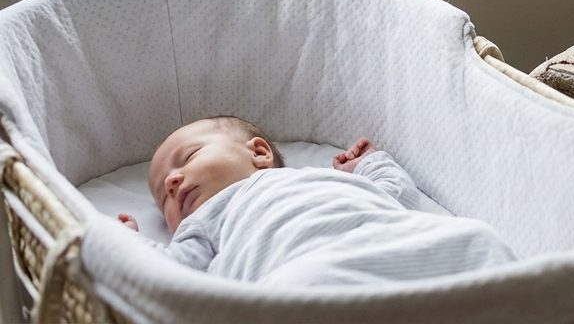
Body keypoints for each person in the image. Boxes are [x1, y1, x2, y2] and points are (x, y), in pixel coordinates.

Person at [120, 116, 515, 285]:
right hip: (301, 276)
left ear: (259, 153)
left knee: (477, 239)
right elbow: (171, 275)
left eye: (187, 159)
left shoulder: (319, 179)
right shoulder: (203, 225)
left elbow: (398, 198)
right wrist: (127, 243)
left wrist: (370, 164)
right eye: (162, 197)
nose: (172, 182)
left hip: (399, 248)